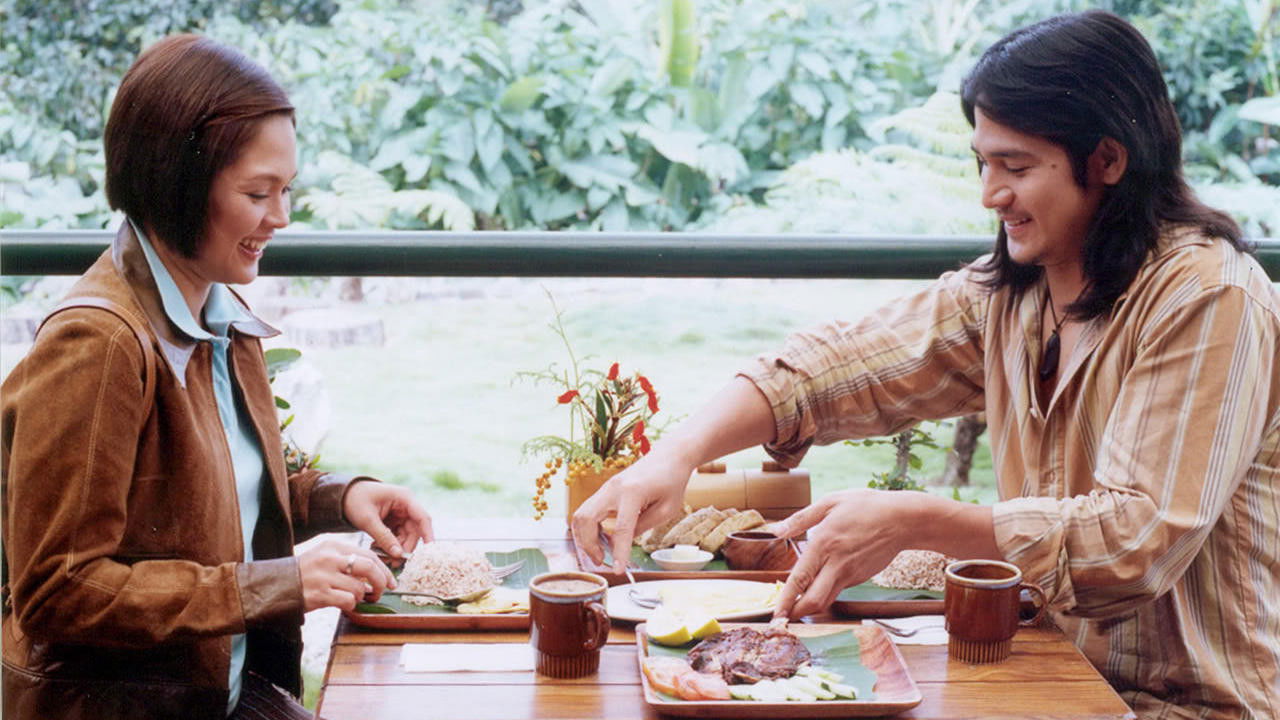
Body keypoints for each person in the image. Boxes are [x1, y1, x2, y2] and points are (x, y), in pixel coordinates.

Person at [573, 11, 1278, 719]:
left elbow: (1133, 542)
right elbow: (835, 367)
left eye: (1016, 167)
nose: (990, 194)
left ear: (1108, 160)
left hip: (1187, 706)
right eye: (983, 163)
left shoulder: (1208, 298)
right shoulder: (1014, 293)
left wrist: (915, 519)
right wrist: (677, 455)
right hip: (1049, 677)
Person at [1, 35, 433, 720]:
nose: (280, 217)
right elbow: (59, 590)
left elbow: (204, 504)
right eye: (258, 192)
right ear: (177, 182)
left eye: (286, 190)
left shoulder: (216, 313)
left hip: (220, 696)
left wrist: (340, 498)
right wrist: (277, 583)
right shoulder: (98, 345)